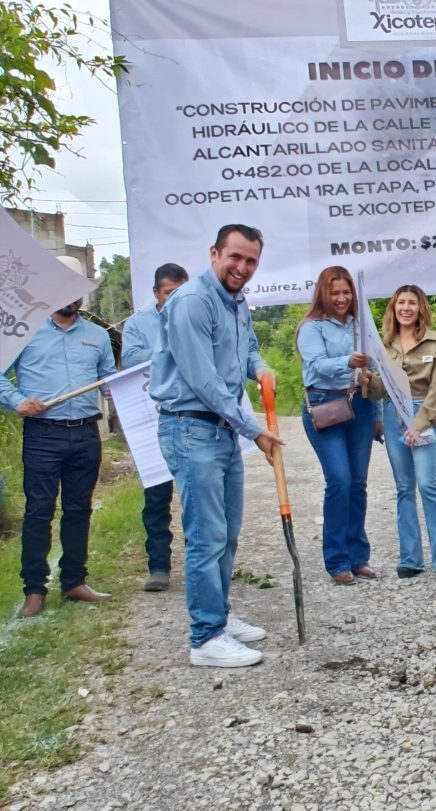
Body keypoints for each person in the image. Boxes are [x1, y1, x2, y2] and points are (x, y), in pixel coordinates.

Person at [150, 224, 283, 668]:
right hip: (191, 429)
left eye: (251, 261)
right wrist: (254, 429)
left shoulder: (237, 302)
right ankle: (205, 637)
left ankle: (219, 614)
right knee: (206, 537)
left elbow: (248, 351)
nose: (242, 267)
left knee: (226, 534)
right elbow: (203, 380)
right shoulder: (192, 301)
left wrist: (261, 369)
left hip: (221, 429)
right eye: (235, 257)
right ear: (214, 254)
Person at [1, 256, 116, 618]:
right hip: (43, 434)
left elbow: (109, 381)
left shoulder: (97, 336)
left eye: (78, 290)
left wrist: (118, 391)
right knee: (39, 511)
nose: (72, 297)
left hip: (85, 433)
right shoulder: (24, 331)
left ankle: (74, 582)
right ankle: (34, 590)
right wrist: (18, 401)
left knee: (79, 508)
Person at [296, 266, 381, 586]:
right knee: (340, 480)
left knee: (358, 483)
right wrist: (348, 361)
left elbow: (374, 370)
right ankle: (337, 561)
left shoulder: (361, 325)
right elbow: (316, 367)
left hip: (361, 405)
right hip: (325, 405)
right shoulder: (311, 327)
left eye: (347, 292)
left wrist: (376, 416)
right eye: (335, 293)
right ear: (324, 294)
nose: (342, 298)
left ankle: (358, 557)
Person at [372, 285, 436, 581]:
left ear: (420, 307)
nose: (406, 308)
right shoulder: (385, 344)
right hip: (393, 413)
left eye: (412, 303)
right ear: (393, 308)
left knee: (427, 484)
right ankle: (410, 558)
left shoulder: (435, 342)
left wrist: (420, 423)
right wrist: (365, 378)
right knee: (404, 488)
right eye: (401, 303)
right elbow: (379, 388)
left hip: (424, 413)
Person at [121, 262, 189, 592]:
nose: (176, 299)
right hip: (151, 420)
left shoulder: (197, 316)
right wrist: (172, 348)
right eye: (169, 293)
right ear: (155, 293)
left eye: (181, 293)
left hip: (191, 418)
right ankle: (159, 566)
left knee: (197, 497)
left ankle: (202, 564)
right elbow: (132, 359)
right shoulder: (137, 324)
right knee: (157, 498)